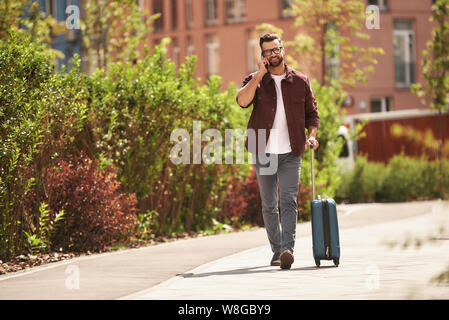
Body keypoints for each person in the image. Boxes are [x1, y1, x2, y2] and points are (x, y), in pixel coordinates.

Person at [236, 33, 320, 270]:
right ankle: (276, 250)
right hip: (263, 151)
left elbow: (312, 114)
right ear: (262, 56)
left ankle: (287, 249)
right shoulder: (256, 80)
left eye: (276, 49)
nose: (272, 54)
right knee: (269, 204)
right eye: (267, 51)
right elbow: (242, 101)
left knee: (289, 201)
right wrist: (259, 76)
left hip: (291, 151)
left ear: (283, 50)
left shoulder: (301, 81)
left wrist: (312, 136)